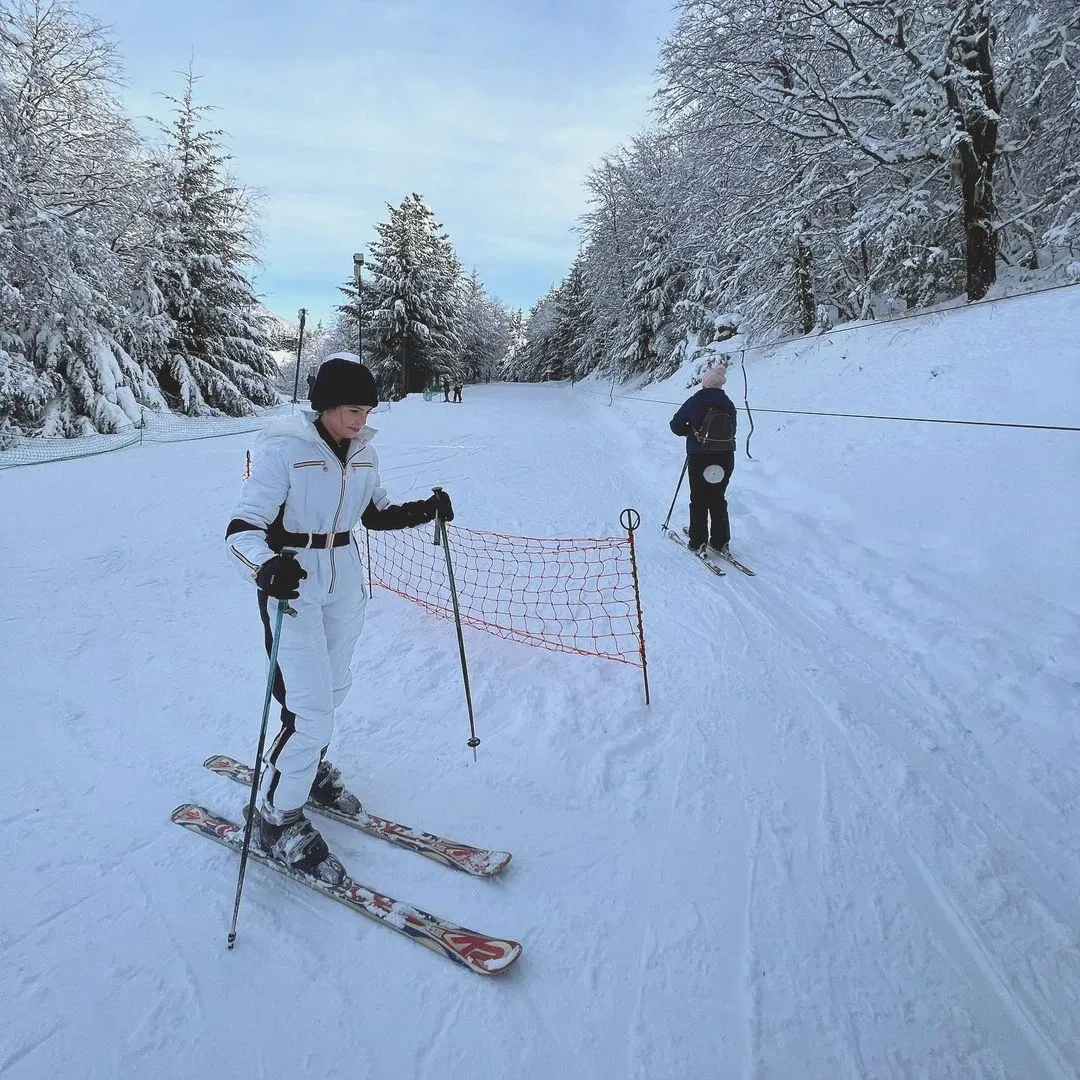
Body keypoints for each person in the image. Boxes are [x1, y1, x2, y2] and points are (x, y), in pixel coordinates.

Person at [225, 352, 454, 884]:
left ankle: (306, 770)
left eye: (368, 410)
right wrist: (267, 567)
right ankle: (276, 817)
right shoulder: (283, 449)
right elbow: (241, 529)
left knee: (332, 693)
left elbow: (374, 513)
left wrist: (426, 509)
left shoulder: (365, 454)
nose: (361, 420)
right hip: (293, 589)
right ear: (325, 405)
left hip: (343, 584)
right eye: (352, 408)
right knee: (308, 709)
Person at [669, 364, 737, 555]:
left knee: (699, 498)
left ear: (705, 383)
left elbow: (676, 426)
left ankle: (698, 540)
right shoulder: (728, 403)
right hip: (726, 457)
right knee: (717, 497)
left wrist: (690, 432)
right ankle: (720, 541)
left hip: (700, 457)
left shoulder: (695, 401)